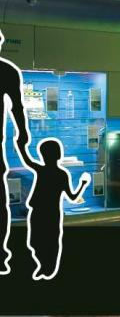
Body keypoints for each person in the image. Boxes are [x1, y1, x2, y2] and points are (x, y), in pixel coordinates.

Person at [17, 139, 90, 281]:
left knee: (48, 240)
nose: (43, 156)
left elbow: (72, 197)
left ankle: (48, 268)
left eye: (44, 153)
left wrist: (83, 184)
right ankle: (44, 266)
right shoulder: (47, 171)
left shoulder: (55, 173)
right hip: (40, 212)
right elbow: (73, 197)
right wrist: (83, 184)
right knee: (36, 241)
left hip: (48, 212)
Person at [0, 30, 31, 276]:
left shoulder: (7, 71)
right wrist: (22, 135)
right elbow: (18, 109)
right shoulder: (7, 70)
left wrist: (22, 135)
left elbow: (18, 109)